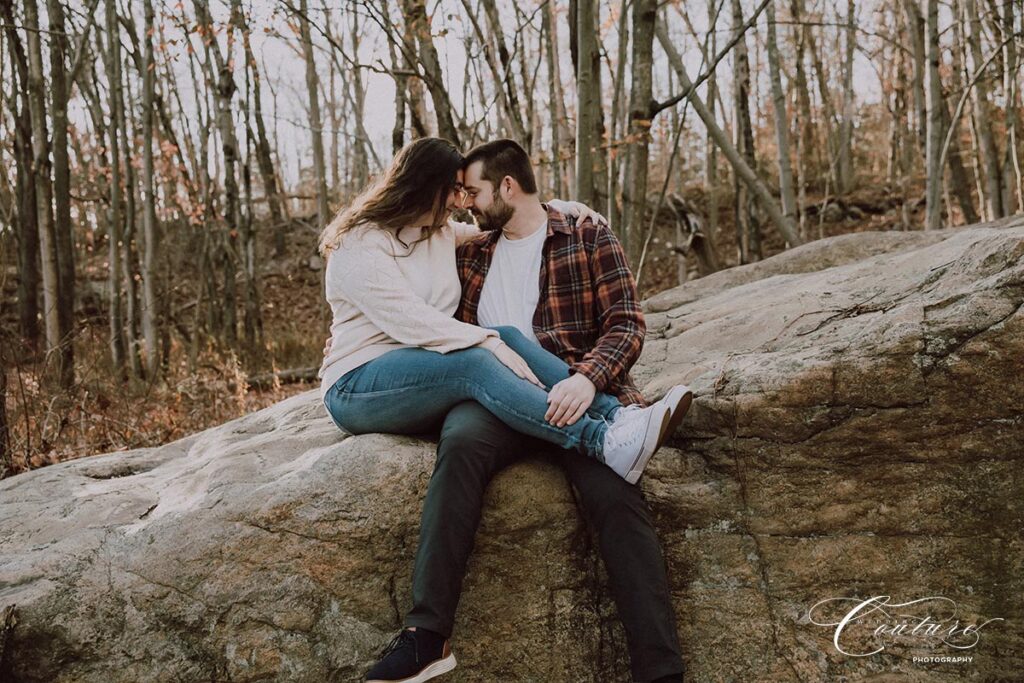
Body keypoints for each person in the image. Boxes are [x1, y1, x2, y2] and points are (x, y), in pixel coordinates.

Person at [346, 139, 691, 683]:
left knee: (615, 496)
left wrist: (587, 377)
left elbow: (627, 323)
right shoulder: (470, 250)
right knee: (458, 445)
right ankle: (425, 634)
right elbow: (443, 331)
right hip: (499, 399)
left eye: (474, 192)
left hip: (573, 390)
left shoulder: (584, 234)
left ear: (507, 187)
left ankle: (660, 674)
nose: (466, 204)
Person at [318, 137, 687, 485]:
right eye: (455, 190)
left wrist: (557, 207)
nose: (461, 202)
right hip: (357, 385)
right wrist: (487, 343)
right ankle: (602, 441)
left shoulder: (438, 231)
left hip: (420, 369)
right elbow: (409, 319)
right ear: (425, 186)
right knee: (477, 360)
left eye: (466, 192)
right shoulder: (360, 243)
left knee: (507, 333)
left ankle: (621, 417)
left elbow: (510, 221)